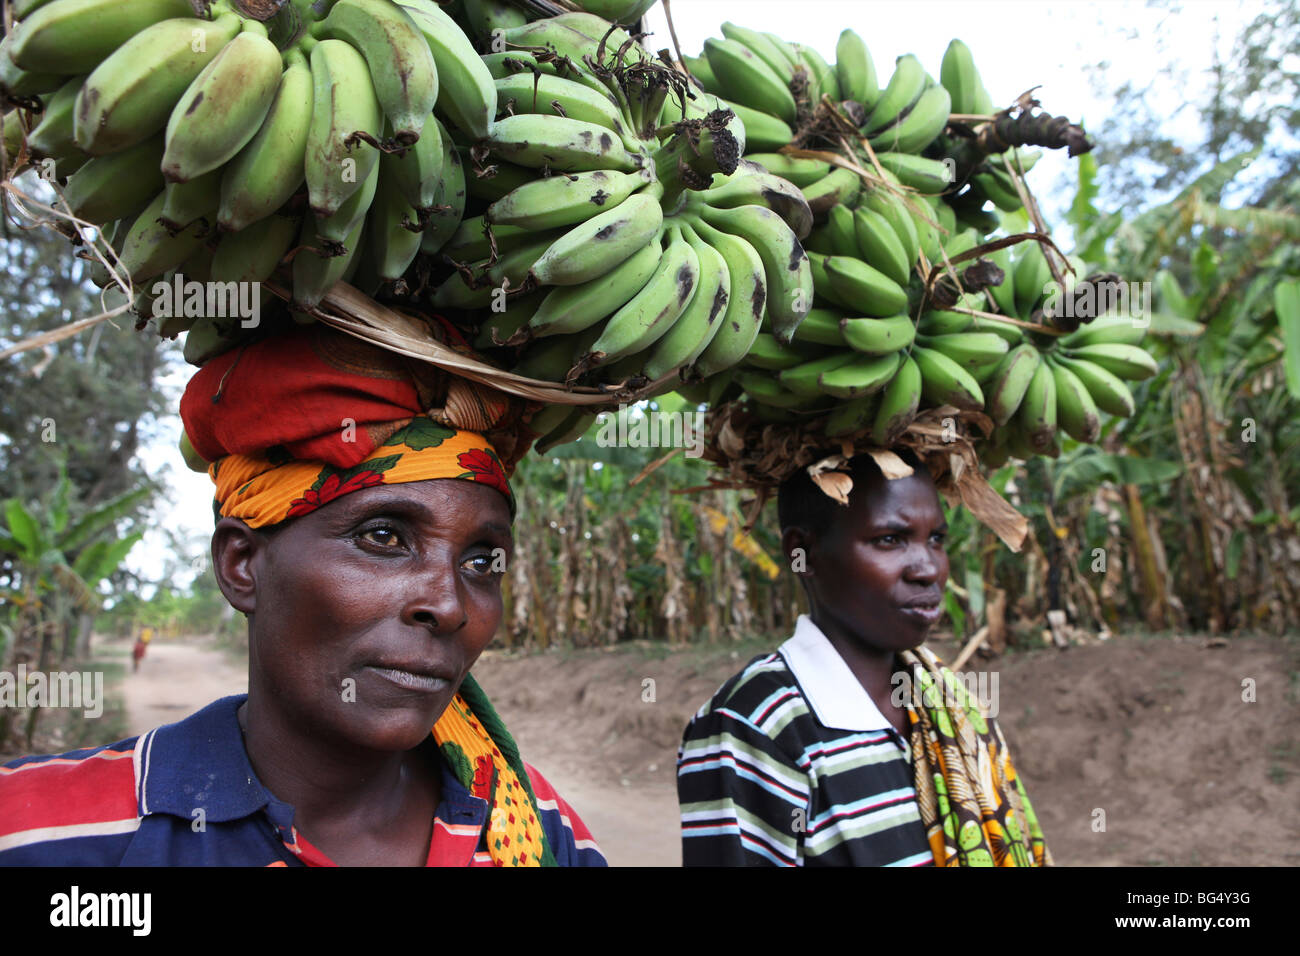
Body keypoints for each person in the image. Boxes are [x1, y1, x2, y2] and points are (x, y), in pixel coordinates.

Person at [0, 324, 605, 867]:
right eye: (384, 536)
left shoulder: (540, 831)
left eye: (479, 562)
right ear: (241, 565)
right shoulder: (39, 834)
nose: (448, 606)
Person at [676, 448, 1051, 867]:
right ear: (804, 552)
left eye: (936, 539)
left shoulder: (949, 702)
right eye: (889, 539)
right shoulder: (755, 727)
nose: (927, 568)